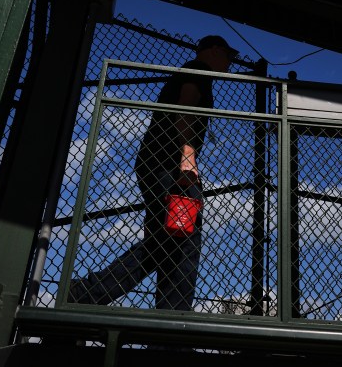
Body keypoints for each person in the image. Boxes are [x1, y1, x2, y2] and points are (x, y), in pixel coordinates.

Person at [69, 35, 238, 308]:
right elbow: (184, 109)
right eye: (229, 56)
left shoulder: (192, 72)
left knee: (167, 239)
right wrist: (187, 156)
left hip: (156, 162)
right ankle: (169, 317)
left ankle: (89, 294)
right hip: (169, 164)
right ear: (216, 51)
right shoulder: (199, 71)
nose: (230, 63)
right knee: (185, 235)